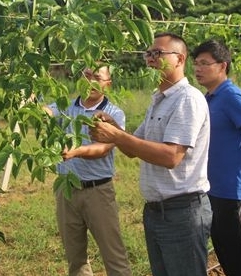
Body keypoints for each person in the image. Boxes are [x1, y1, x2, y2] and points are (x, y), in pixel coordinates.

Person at [89, 32, 212, 276]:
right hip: (157, 211)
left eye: (158, 53)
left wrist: (117, 136)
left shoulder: (187, 99)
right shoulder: (159, 100)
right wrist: (116, 130)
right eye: (148, 54)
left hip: (182, 211)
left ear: (180, 59)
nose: (151, 59)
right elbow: (134, 148)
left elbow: (171, 157)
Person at [191, 40, 241, 276]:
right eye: (196, 63)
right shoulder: (209, 97)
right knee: (226, 255)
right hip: (213, 190)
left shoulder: (232, 96)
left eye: (205, 63)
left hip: (234, 194)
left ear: (222, 66)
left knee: (240, 262)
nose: (198, 69)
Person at [44, 65, 132, 276]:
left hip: (98, 192)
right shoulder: (66, 107)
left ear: (107, 84)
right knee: (75, 258)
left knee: (114, 255)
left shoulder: (112, 113)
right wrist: (30, 104)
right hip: (67, 190)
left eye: (97, 77)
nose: (91, 81)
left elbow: (103, 149)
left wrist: (75, 151)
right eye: (86, 75)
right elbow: (46, 112)